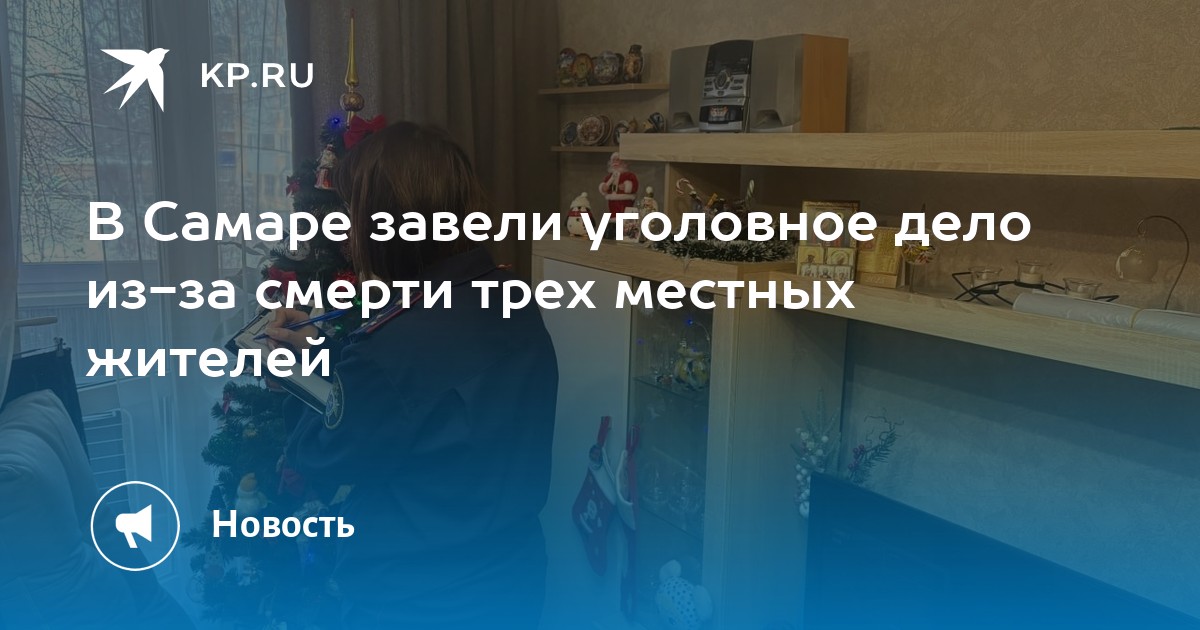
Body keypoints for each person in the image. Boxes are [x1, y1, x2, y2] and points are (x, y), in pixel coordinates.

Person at [266, 122, 558, 629]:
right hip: (514, 576)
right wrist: (330, 356)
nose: (348, 236)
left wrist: (297, 371)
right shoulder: (512, 296)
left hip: (418, 598)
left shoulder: (394, 345)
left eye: (353, 217)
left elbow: (322, 454)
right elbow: (426, 409)